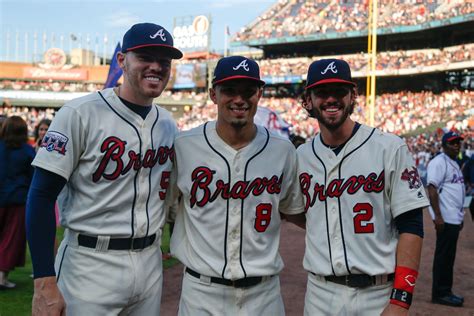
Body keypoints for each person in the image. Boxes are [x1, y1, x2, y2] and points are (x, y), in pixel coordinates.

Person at [26, 22, 182, 315]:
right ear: (122, 60)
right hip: (89, 264)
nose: (156, 66)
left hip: (149, 262)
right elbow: (41, 196)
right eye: (145, 57)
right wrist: (43, 280)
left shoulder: (167, 123)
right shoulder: (79, 113)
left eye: (164, 60)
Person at [289, 59, 430, 315]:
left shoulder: (389, 147)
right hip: (320, 294)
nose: (331, 99)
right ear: (308, 100)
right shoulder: (301, 157)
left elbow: (412, 225)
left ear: (353, 95)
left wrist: (400, 299)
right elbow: (296, 211)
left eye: (339, 91)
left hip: (377, 294)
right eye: (321, 93)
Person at [168, 56, 304, 315]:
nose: (239, 99)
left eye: (248, 91)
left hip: (264, 295)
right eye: (229, 90)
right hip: (201, 293)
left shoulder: (282, 150)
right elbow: (165, 208)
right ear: (213, 94)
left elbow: (293, 209)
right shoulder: (184, 146)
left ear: (259, 94)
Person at [427, 131, 465, 307]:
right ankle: (440, 293)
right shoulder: (439, 162)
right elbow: (432, 188)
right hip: (445, 218)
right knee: (444, 256)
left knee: (448, 256)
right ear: (444, 146)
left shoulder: (453, 163)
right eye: (452, 142)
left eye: (458, 142)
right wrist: (438, 216)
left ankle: (445, 291)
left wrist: (460, 215)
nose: (457, 145)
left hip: (453, 217)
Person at [0, 116, 35, 289]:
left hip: (6, 197)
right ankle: (2, 277)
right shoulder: (28, 152)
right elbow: (33, 178)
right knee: (11, 238)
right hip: (17, 199)